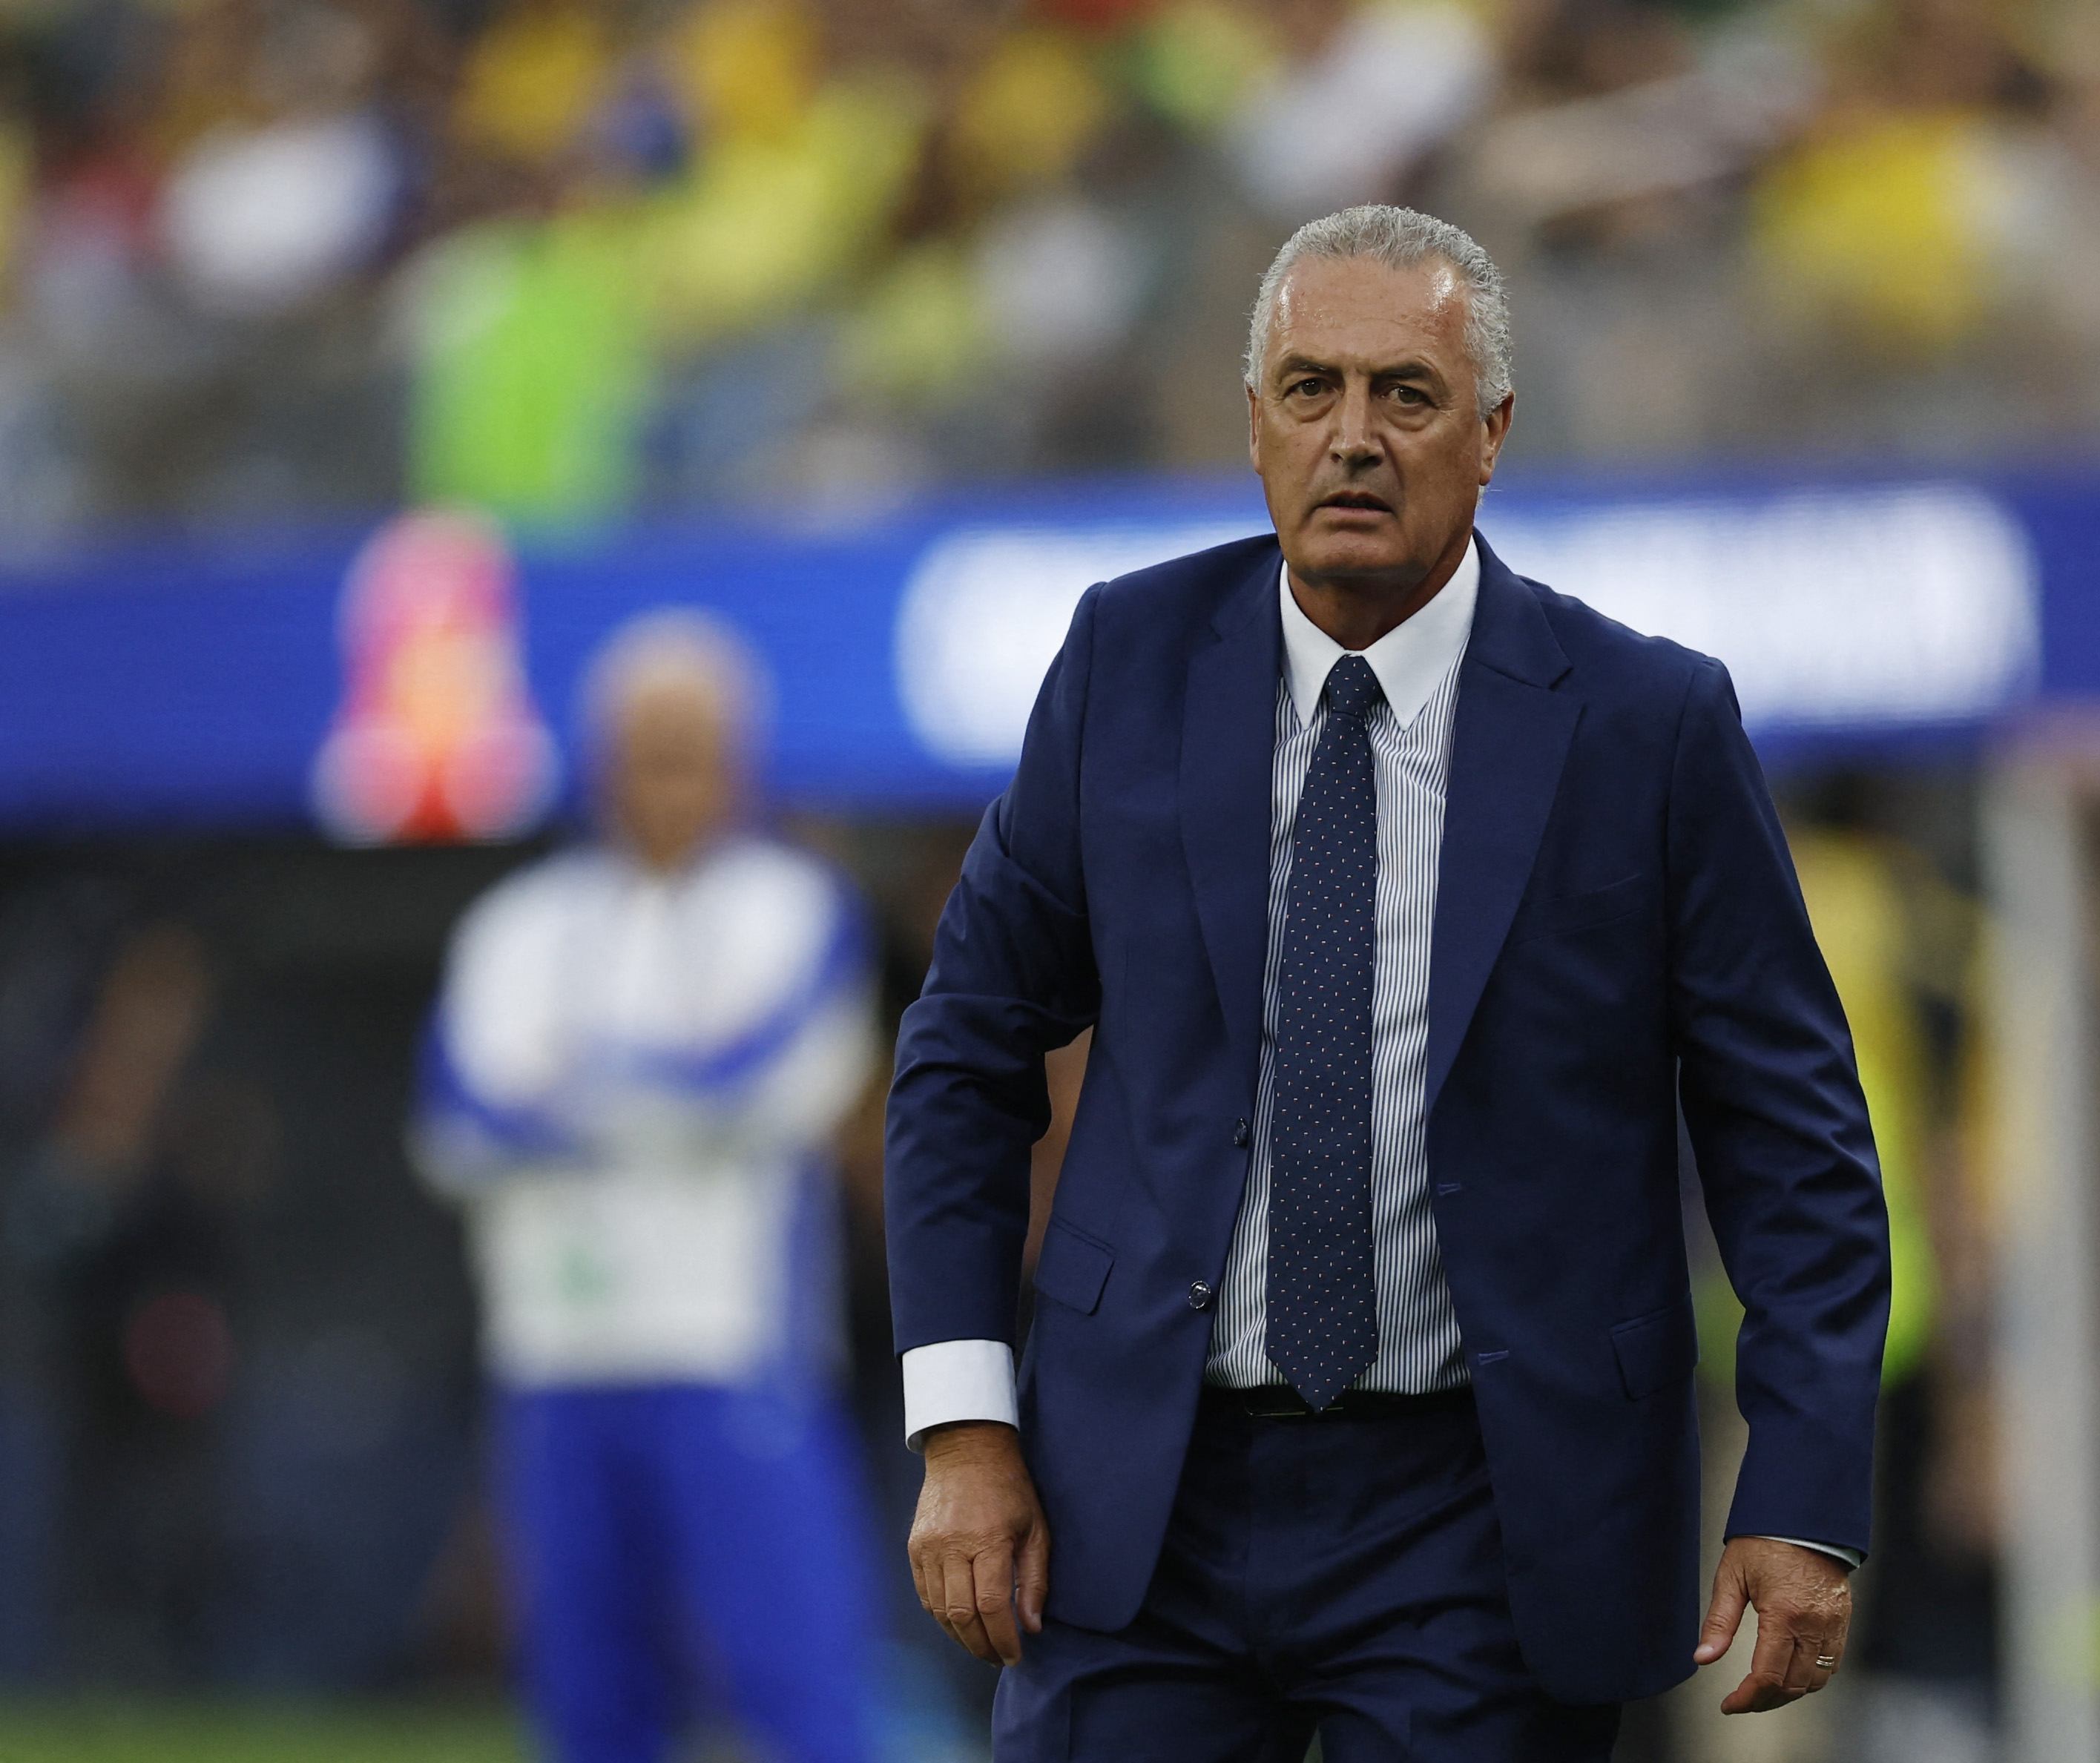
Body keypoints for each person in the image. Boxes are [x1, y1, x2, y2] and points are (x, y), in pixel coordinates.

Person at [885, 204, 1889, 1761]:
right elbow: (963, 1052)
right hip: (1135, 1492)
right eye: (1310, 390)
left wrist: (1806, 1491)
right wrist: (963, 1422)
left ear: (1490, 433)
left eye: (1403, 396)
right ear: (1254, 424)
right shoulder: (1121, 662)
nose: (1352, 437)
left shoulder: (1647, 724)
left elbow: (1793, 1138)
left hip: (1487, 1517)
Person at [414, 610, 879, 1763]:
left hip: (726, 1346)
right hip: (555, 1353)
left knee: (796, 1678)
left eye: (693, 744)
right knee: (585, 1685)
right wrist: (652, 1092)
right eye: (644, 743)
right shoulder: (515, 925)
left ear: (740, 758)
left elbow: (765, 1084)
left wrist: (573, 1092)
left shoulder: (794, 905)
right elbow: (456, 1122)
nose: (667, 776)